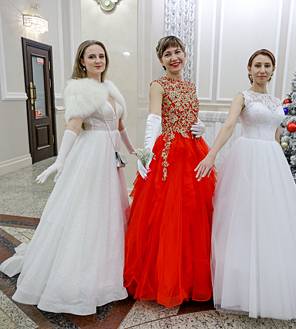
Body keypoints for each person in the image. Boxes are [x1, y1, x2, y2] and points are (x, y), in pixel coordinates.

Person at [195, 49, 296, 320]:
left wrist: (280, 166)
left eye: (267, 65)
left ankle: (270, 279)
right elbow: (229, 126)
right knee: (244, 218)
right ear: (249, 69)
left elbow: (278, 133)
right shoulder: (242, 97)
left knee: (272, 219)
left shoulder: (276, 100)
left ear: (272, 70)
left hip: (272, 159)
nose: (262, 69)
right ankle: (240, 282)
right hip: (247, 158)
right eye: (257, 65)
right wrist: (211, 155)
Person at [0, 40, 135, 315]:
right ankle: (82, 277)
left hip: (111, 159)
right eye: (92, 56)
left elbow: (120, 126)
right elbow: (73, 126)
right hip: (92, 156)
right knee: (87, 213)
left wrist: (137, 152)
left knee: (110, 213)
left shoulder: (109, 89)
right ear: (82, 61)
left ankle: (111, 266)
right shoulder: (79, 89)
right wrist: (60, 161)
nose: (98, 60)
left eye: (101, 56)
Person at [123, 36, 216, 308]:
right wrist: (146, 152)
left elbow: (190, 115)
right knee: (167, 214)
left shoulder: (190, 86)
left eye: (177, 52)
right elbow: (154, 119)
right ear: (161, 60)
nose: (173, 57)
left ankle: (189, 279)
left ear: (185, 54)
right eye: (167, 54)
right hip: (169, 154)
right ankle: (165, 279)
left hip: (194, 149)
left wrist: (200, 127)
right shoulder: (158, 85)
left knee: (193, 214)